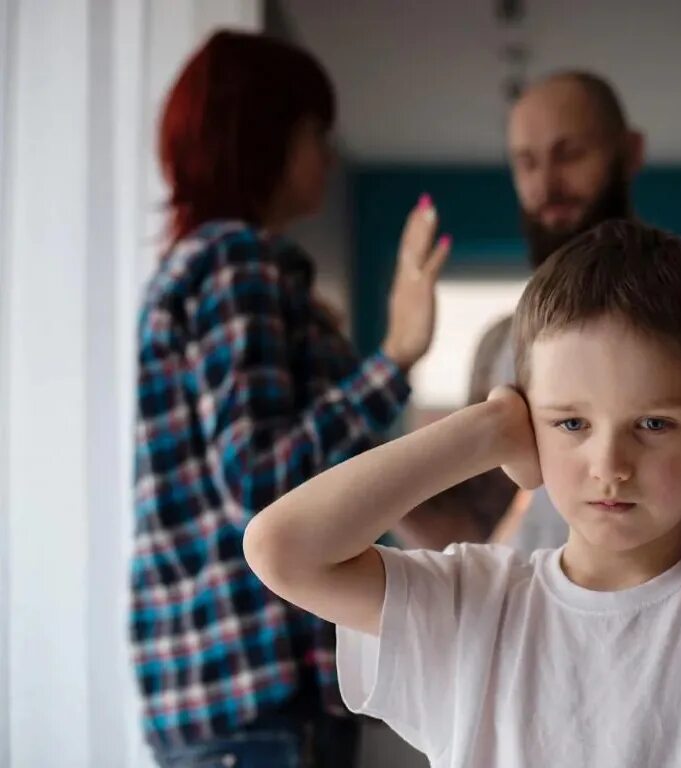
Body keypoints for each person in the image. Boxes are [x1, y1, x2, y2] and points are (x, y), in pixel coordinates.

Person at [244, 221, 681, 767]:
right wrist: (486, 431)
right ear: (528, 419)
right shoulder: (473, 603)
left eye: (654, 423)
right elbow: (281, 549)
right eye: (570, 422)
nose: (611, 464)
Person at [130, 31, 449, 767]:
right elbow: (261, 481)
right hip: (257, 690)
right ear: (262, 136)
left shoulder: (207, 268)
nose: (329, 158)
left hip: (221, 695)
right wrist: (395, 355)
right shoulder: (236, 262)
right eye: (315, 133)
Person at [394, 71, 681, 552]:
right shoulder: (505, 339)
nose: (547, 185)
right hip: (542, 608)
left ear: (630, 153)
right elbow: (472, 522)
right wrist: (388, 368)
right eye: (527, 163)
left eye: (570, 154)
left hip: (673, 604)